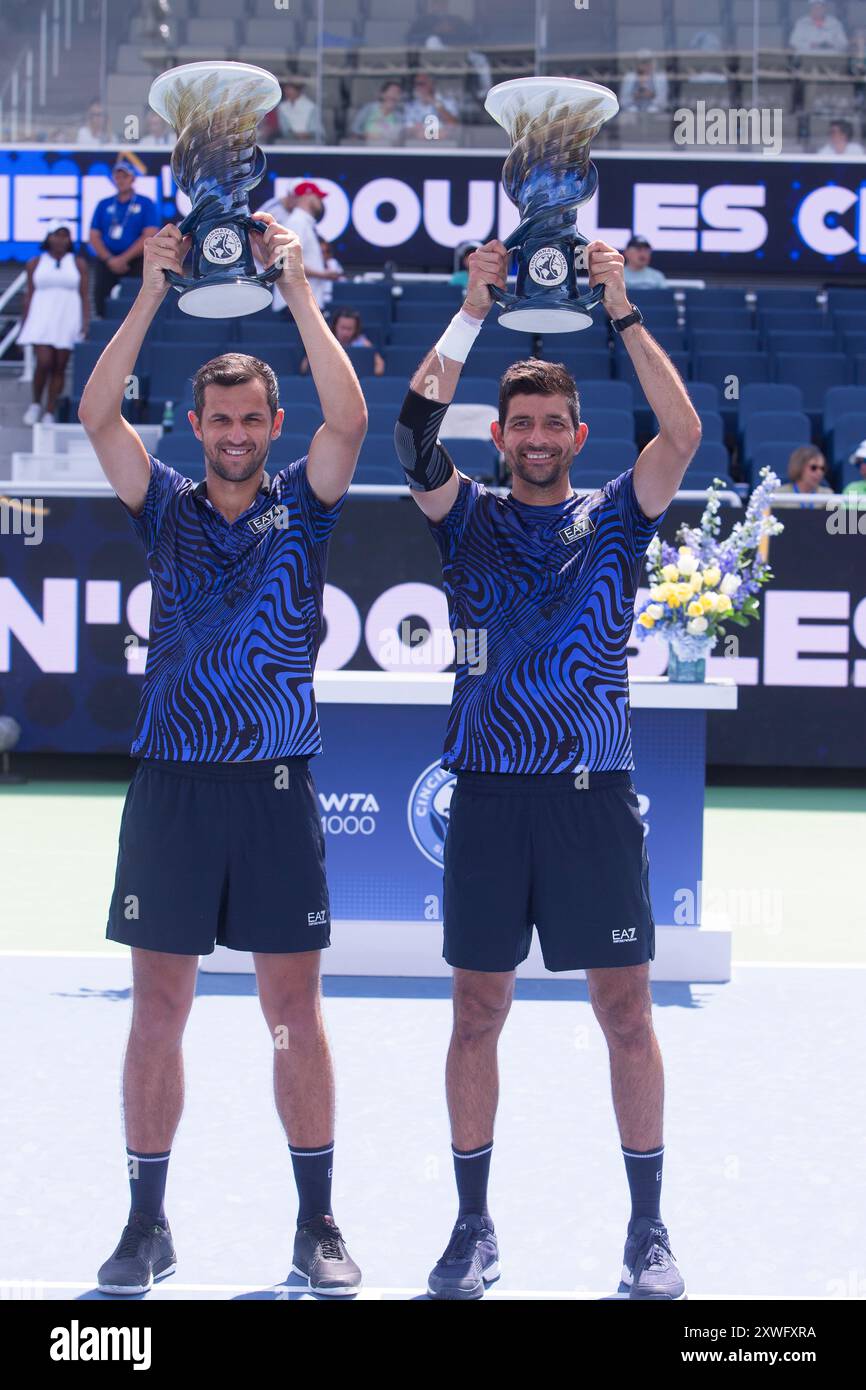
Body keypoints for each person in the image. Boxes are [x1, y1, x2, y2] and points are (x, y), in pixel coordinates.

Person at [393, 239, 701, 1300]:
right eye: (517, 424)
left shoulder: (616, 514)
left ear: (575, 433)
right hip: (486, 801)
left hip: (590, 802)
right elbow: (407, 430)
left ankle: (647, 1230)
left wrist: (618, 305)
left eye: (549, 424)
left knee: (626, 1011)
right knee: (475, 1012)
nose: (533, 437)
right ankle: (472, 1226)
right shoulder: (464, 516)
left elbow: (684, 430)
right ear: (500, 434)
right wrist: (472, 308)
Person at [77, 210, 367, 1298]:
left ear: (269, 420)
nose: (236, 431)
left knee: (292, 1017)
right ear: (196, 423)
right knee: (160, 1008)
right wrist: (149, 289)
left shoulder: (307, 504)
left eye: (252, 417)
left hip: (275, 790)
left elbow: (351, 414)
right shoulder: (164, 507)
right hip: (174, 790)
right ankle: (146, 1223)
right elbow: (95, 408)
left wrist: (297, 285)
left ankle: (316, 1220)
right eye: (220, 417)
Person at [18, 222, 89, 425]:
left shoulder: (78, 263)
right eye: (57, 235)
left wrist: (85, 323)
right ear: (49, 238)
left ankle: (50, 409)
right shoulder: (35, 263)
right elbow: (28, 296)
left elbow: (84, 296)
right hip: (41, 317)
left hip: (68, 317)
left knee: (59, 365)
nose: (60, 240)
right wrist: (25, 324)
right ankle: (35, 404)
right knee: (44, 361)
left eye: (65, 236)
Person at [88, 152, 158, 317]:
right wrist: (110, 259)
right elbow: (93, 235)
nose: (121, 181)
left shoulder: (145, 203)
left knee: (135, 300)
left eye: (125, 177)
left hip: (134, 260)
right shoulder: (104, 204)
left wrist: (124, 258)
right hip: (107, 260)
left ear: (132, 179)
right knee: (101, 298)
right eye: (117, 177)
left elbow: (149, 234)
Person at [255, 182, 341, 313]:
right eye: (318, 197)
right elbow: (287, 262)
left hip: (300, 303)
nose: (321, 201)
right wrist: (324, 274)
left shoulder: (303, 222)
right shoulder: (297, 222)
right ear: (307, 195)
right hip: (296, 305)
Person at [301, 308, 385, 377]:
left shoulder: (364, 344)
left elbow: (380, 367)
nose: (345, 333)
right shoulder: (324, 342)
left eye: (349, 329)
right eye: (342, 328)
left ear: (356, 329)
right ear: (335, 326)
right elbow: (304, 368)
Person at [403, 72, 459, 143]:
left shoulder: (448, 102)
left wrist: (435, 103)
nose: (418, 87)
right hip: (417, 147)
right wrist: (439, 133)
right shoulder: (411, 106)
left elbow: (453, 125)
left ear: (431, 84)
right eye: (416, 84)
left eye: (421, 84)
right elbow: (408, 130)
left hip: (445, 147)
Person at [267, 78, 319, 143]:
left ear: (298, 90)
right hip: (289, 142)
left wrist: (306, 135)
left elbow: (316, 130)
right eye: (286, 89)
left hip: (310, 143)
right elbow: (284, 129)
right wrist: (294, 135)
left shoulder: (311, 107)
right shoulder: (282, 107)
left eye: (289, 89)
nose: (287, 92)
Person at [317, 239, 344, 314]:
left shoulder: (333, 262)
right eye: (321, 252)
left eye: (326, 252)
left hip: (330, 299)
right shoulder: (309, 264)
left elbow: (339, 276)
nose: (323, 255)